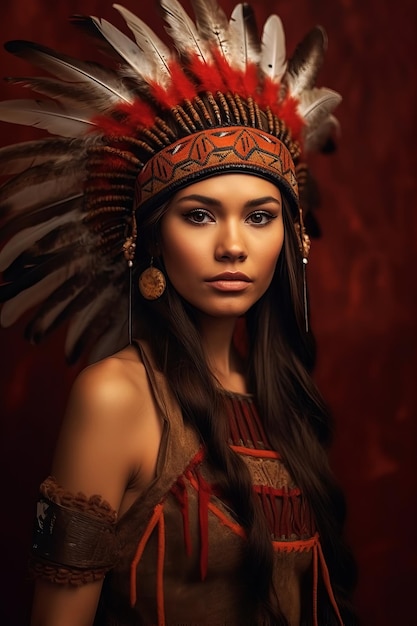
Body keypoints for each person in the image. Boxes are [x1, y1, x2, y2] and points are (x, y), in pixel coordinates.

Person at [0, 1, 358, 624]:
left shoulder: (281, 399)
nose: (233, 245)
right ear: (149, 237)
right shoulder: (116, 397)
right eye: (198, 214)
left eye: (259, 216)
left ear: (290, 239)